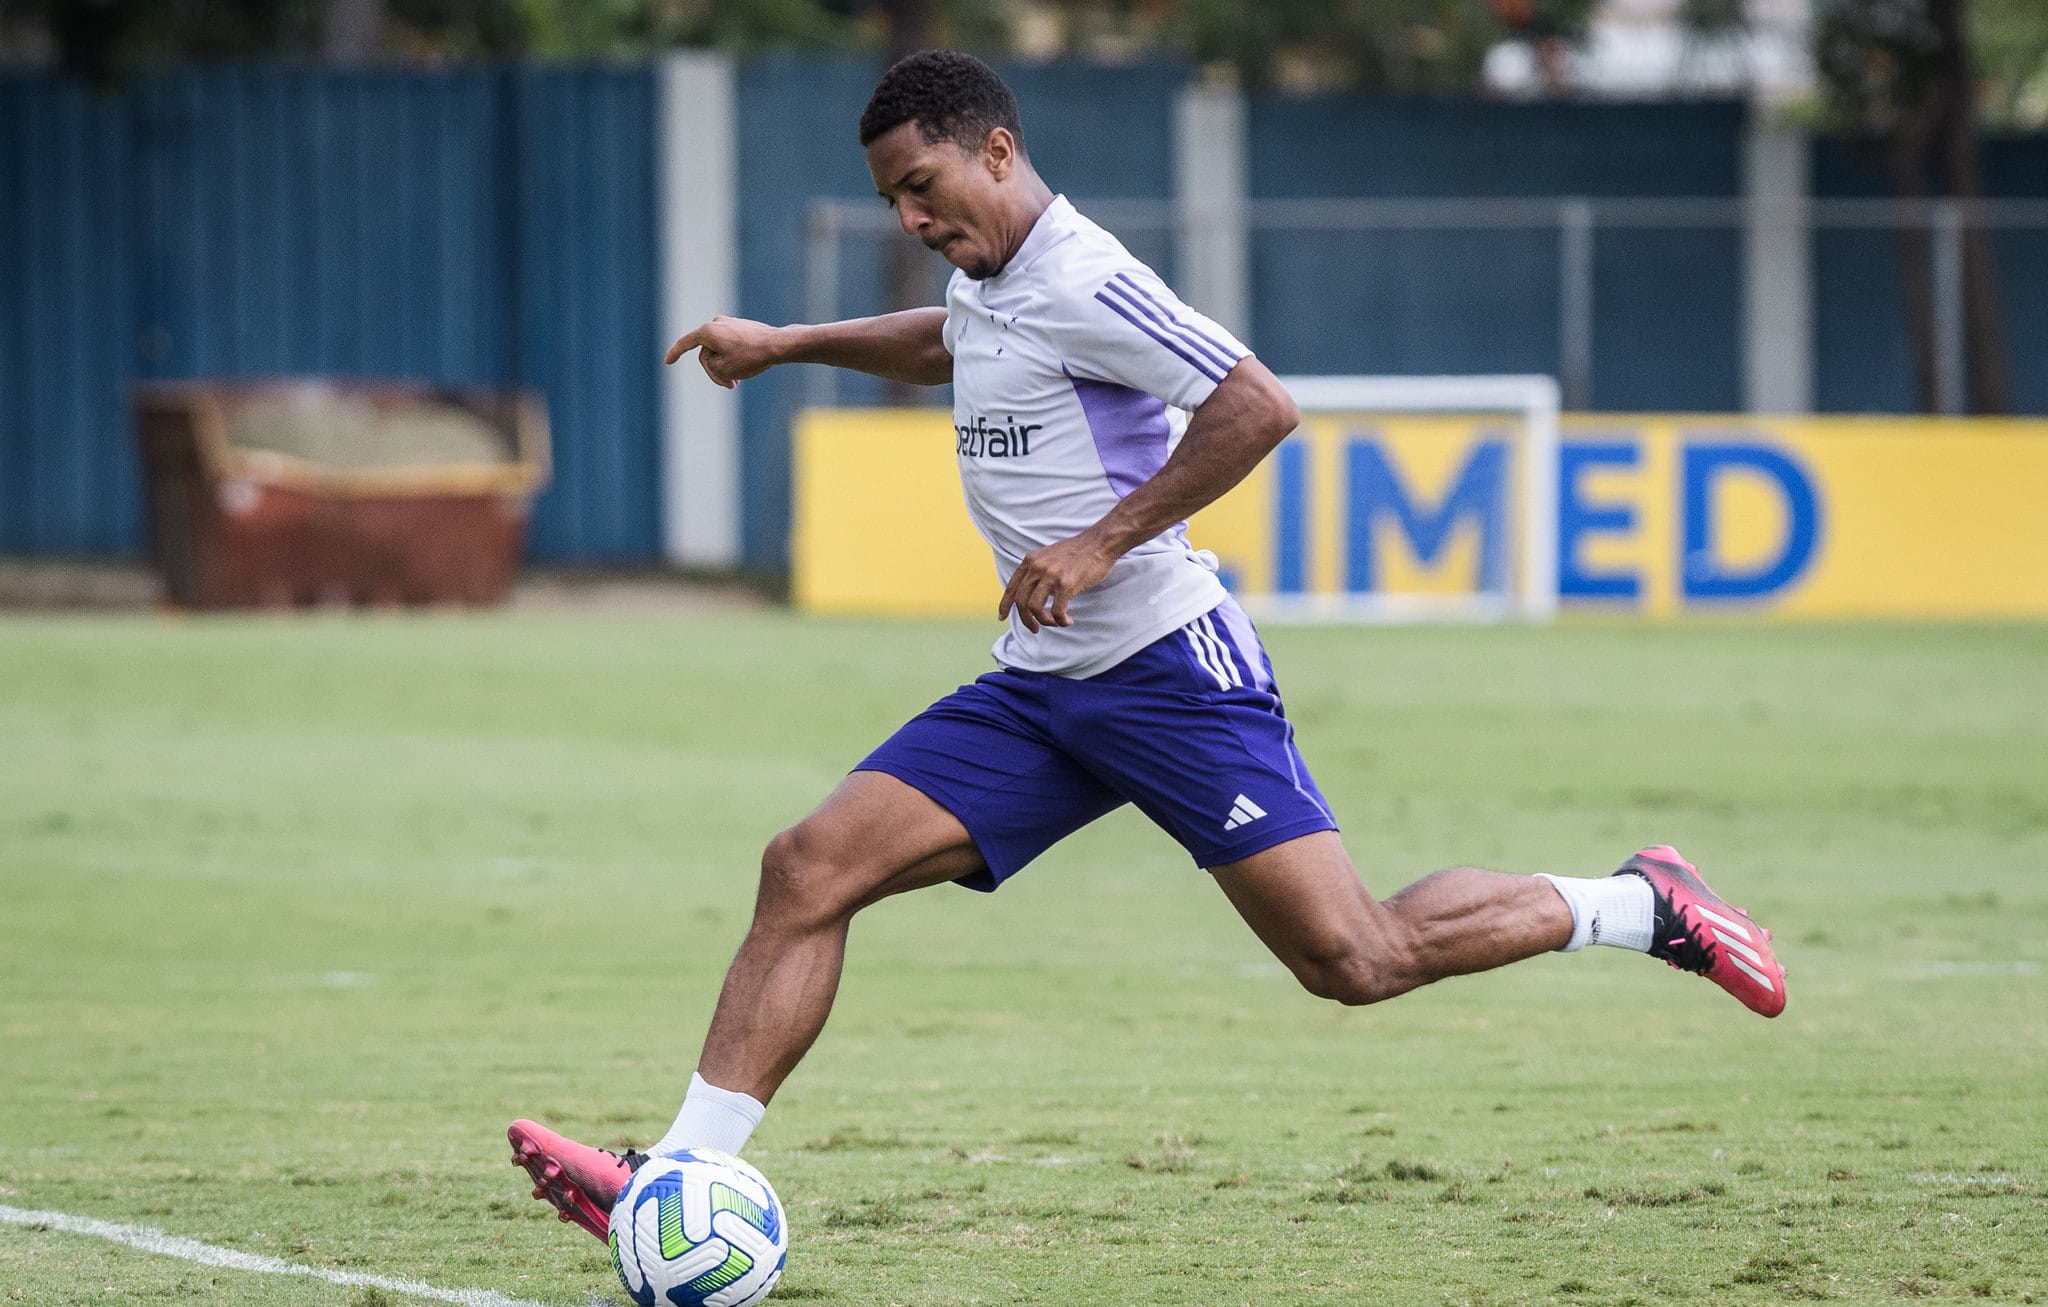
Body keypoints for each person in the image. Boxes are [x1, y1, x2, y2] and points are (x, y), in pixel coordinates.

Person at [508, 49, 1785, 1240]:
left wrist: (1101, 543)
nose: (911, 218)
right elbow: (950, 342)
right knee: (807, 869)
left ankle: (1639, 904)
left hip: (1170, 673)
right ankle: (675, 1176)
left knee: (1353, 959)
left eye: (922, 187)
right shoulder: (991, 282)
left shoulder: (1085, 276)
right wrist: (791, 345)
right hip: (1039, 687)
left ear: (995, 150)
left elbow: (1255, 402)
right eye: (894, 198)